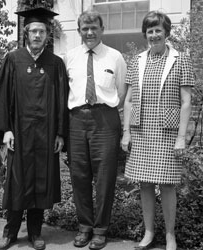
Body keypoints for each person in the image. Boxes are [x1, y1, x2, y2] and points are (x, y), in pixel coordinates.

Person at [0, 7, 69, 250]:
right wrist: (6, 130)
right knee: (17, 181)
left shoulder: (55, 64)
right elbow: (2, 97)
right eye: (33, 31)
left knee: (40, 181)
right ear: (26, 34)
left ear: (47, 35)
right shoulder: (13, 59)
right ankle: (10, 232)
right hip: (19, 134)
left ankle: (35, 232)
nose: (37, 35)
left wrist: (60, 133)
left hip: (46, 135)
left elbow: (63, 100)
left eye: (41, 31)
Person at [121, 11, 194, 250]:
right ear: (146, 34)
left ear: (166, 33)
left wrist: (182, 137)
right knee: (144, 182)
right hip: (141, 129)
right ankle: (149, 232)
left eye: (158, 30)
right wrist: (126, 131)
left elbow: (186, 102)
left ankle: (170, 235)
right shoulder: (137, 60)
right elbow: (129, 100)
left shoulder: (180, 59)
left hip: (167, 131)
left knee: (167, 184)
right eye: (150, 31)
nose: (154, 35)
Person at [64, 10, 127, 250]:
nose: (89, 33)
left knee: (104, 177)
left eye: (94, 28)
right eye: (84, 29)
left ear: (102, 29)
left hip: (105, 119)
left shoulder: (115, 57)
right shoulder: (69, 57)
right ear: (79, 31)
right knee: (79, 175)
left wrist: (105, 110)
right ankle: (84, 227)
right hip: (76, 120)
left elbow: (121, 93)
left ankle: (100, 230)